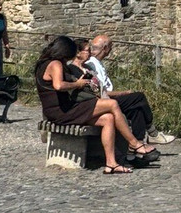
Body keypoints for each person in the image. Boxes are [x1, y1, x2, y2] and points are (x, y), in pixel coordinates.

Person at [34, 36, 158, 175]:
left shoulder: (44, 63)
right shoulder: (55, 64)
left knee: (108, 118)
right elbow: (58, 85)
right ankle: (135, 144)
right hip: (62, 111)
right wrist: (77, 84)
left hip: (63, 109)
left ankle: (111, 164)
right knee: (112, 104)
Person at [87, 35, 176, 147]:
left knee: (137, 109)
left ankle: (138, 144)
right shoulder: (93, 63)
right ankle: (152, 131)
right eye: (110, 47)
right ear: (105, 48)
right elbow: (100, 92)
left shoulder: (98, 63)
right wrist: (123, 93)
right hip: (103, 101)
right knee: (139, 97)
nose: (111, 50)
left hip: (107, 98)